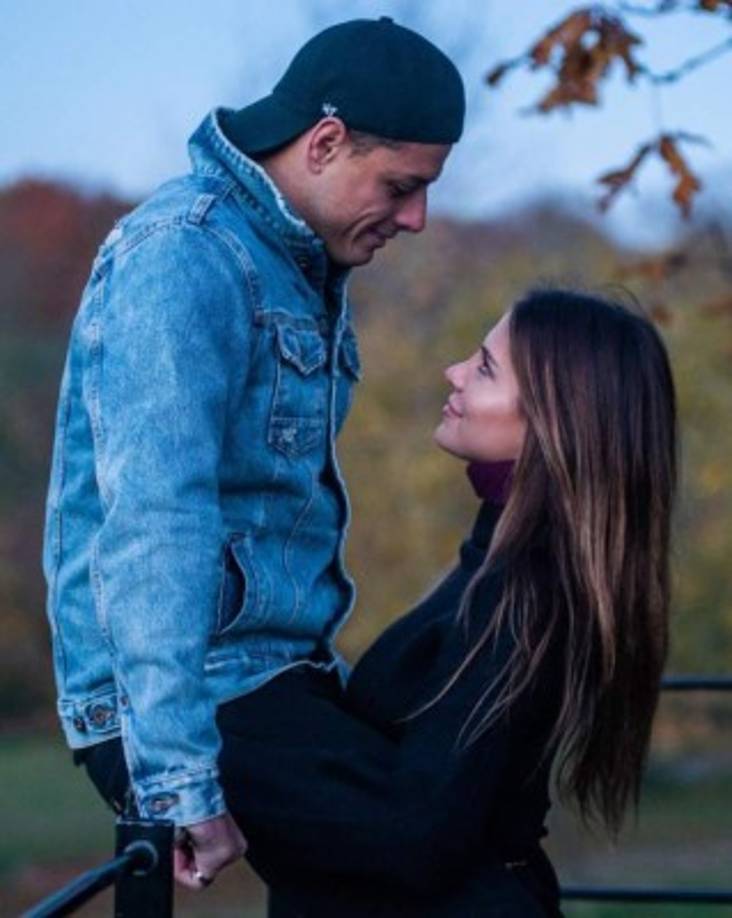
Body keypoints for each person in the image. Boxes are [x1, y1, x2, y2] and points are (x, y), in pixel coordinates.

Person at [79, 287, 677, 915]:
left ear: (557, 419)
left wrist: (168, 747)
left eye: (485, 367)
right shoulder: (508, 569)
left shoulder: (528, 599)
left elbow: (415, 834)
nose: (454, 372)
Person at [41, 16, 465, 890]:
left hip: (274, 671)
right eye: (399, 187)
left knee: (464, 813)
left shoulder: (289, 260)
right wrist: (176, 778)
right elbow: (156, 521)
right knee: (432, 860)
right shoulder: (185, 257)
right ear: (326, 142)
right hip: (178, 697)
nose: (416, 218)